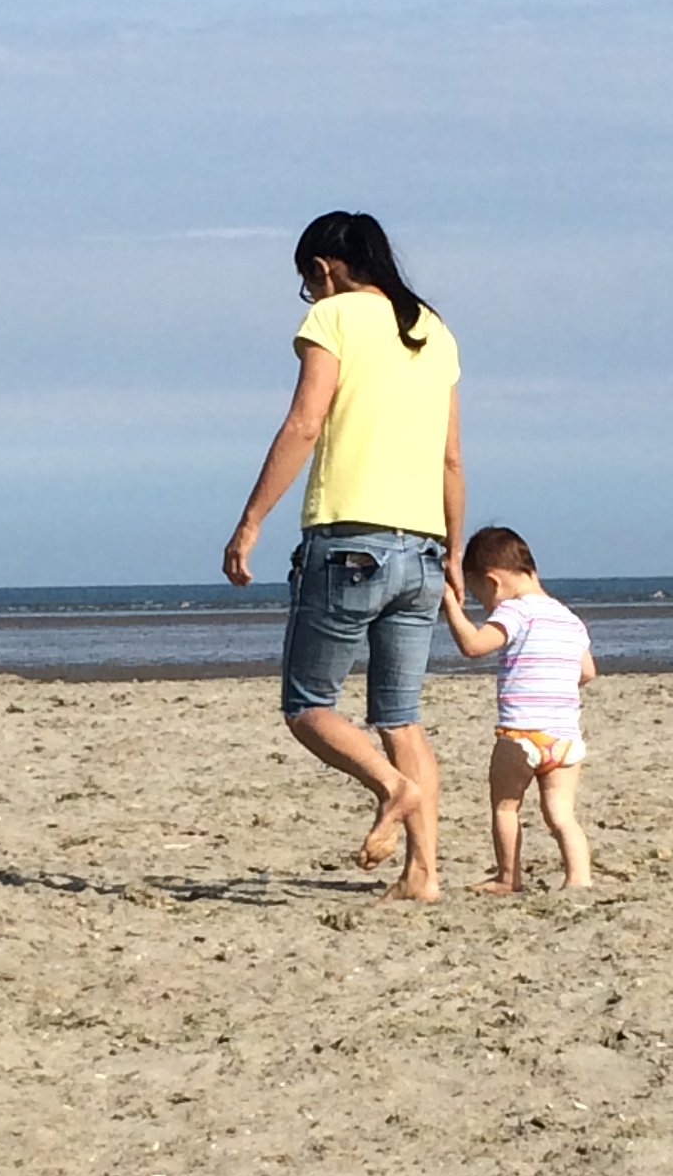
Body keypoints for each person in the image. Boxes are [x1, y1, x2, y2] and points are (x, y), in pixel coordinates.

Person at [223, 211, 462, 902]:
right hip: (422, 547)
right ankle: (423, 874)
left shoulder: (333, 318)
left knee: (307, 704)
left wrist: (250, 523)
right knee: (400, 718)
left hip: (350, 542)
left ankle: (391, 788)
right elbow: (450, 457)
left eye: (309, 283)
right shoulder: (433, 330)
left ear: (324, 270)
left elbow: (305, 423)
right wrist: (452, 549)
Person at [438, 525, 596, 892]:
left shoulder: (515, 612)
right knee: (561, 815)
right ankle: (579, 878)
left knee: (506, 807)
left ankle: (508, 877)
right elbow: (587, 671)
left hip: (521, 735)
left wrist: (451, 605)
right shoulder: (568, 618)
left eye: (480, 597)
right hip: (565, 739)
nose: (486, 606)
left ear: (493, 582)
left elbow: (474, 645)